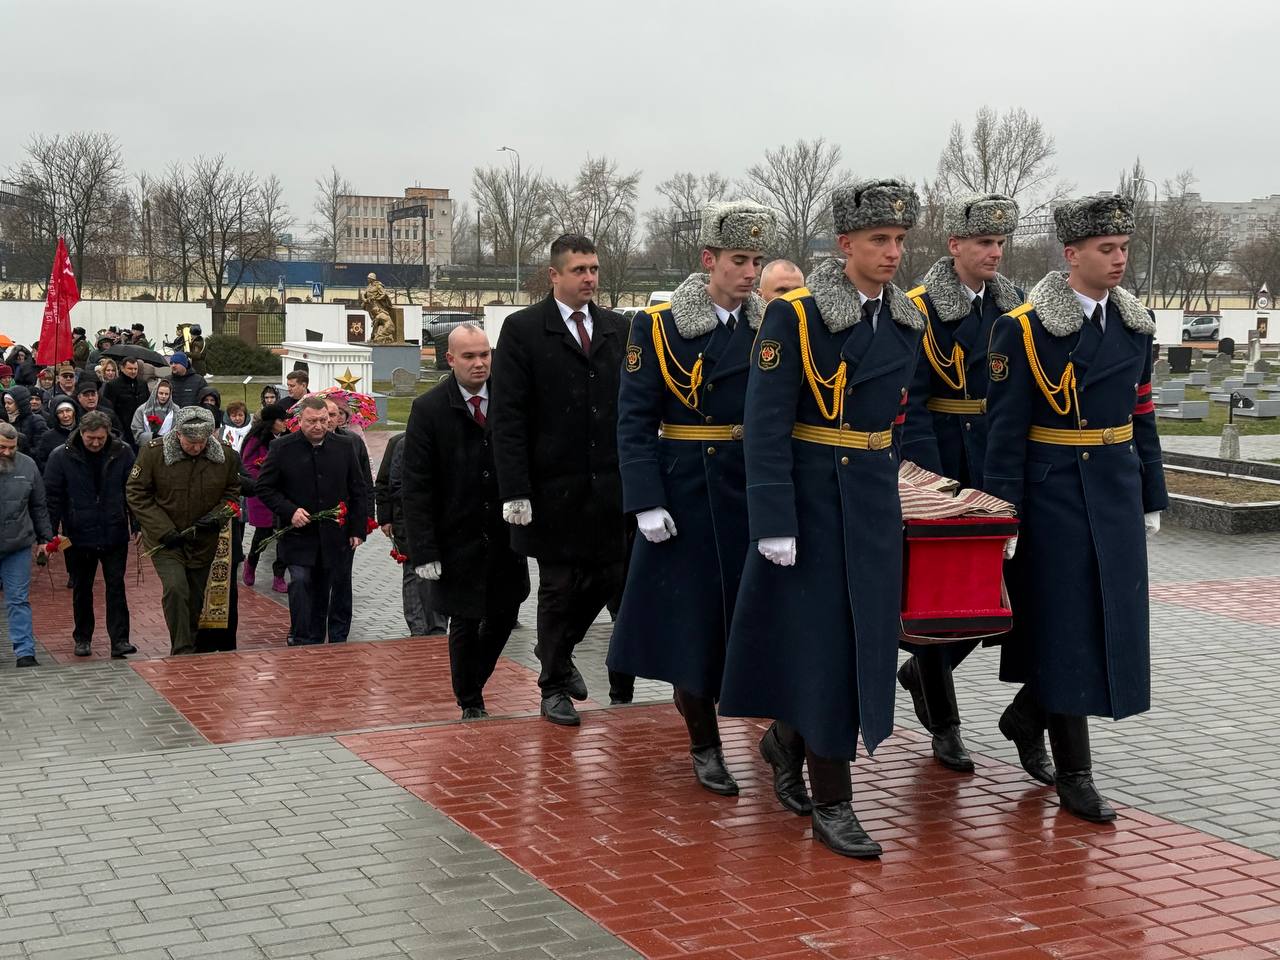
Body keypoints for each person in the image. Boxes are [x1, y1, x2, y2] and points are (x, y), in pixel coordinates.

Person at [720, 179, 925, 859]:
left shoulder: (906, 321)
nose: (892, 252)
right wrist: (772, 518)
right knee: (825, 652)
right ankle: (833, 803)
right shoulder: (797, 318)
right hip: (809, 504)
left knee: (864, 645)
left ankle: (785, 739)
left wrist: (919, 492)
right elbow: (766, 421)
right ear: (845, 246)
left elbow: (902, 423)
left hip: (870, 501)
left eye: (899, 240)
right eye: (878, 240)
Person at [982, 193, 1167, 823]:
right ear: (1072, 254)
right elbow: (1003, 432)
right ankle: (1076, 774)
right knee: (1066, 629)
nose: (1117, 261)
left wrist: (1151, 493)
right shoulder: (1024, 328)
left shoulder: (1135, 327)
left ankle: (1026, 714)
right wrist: (1003, 512)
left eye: (1122, 249)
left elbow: (1143, 416)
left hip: (1113, 489)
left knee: (1110, 622)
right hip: (1053, 493)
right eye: (1104, 250)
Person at [609, 201, 777, 795]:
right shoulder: (657, 327)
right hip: (687, 490)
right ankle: (704, 743)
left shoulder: (771, 327)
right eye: (738, 260)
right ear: (708, 260)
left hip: (753, 485)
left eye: (756, 260)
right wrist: (645, 500)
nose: (749, 273)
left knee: (763, 617)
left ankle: (777, 735)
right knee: (692, 625)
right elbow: (632, 420)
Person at [892, 193, 1028, 774]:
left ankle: (924, 671)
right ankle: (945, 725)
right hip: (943, 460)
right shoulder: (919, 308)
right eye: (982, 243)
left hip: (999, 455)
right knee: (942, 594)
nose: (993, 253)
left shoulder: (1016, 307)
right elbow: (913, 401)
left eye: (999, 243)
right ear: (955, 247)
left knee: (991, 593)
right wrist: (931, 481)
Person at [490, 234, 632, 725]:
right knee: (559, 587)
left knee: (612, 578)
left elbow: (632, 408)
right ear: (554, 276)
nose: (589, 277)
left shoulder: (618, 328)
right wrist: (515, 489)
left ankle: (560, 650)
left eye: (594, 268)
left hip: (610, 487)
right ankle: (552, 687)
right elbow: (506, 416)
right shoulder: (524, 329)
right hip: (551, 489)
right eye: (579, 270)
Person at [402, 324, 530, 717]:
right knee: (465, 618)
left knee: (506, 612)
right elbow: (417, 486)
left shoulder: (510, 398)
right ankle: (470, 701)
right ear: (450, 359)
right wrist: (423, 550)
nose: (480, 363)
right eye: (470, 356)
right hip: (456, 535)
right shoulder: (428, 409)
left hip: (505, 532)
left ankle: (473, 681)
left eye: (485, 354)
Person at [126, 406, 241, 656]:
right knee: (176, 589)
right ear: (178, 434)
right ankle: (182, 650)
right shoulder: (154, 453)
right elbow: (136, 493)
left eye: (202, 441)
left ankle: (188, 640)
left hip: (202, 540)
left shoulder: (225, 456)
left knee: (195, 596)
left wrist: (217, 517)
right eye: (191, 442)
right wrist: (163, 528)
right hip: (165, 541)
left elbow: (232, 494)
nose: (197, 447)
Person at [255, 396, 368, 645]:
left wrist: (357, 529)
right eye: (311, 421)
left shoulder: (345, 446)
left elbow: (358, 489)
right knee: (301, 581)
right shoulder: (282, 448)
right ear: (299, 421)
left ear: (331, 420)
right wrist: (289, 511)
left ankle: (317, 637)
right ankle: (302, 635)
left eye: (323, 420)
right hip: (297, 534)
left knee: (323, 588)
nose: (318, 426)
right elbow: (265, 487)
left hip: (333, 535)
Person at [42, 410, 139, 659]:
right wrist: (48, 535)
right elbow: (52, 498)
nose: (95, 443)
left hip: (114, 531)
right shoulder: (61, 456)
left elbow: (134, 493)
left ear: (108, 434)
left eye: (100, 438)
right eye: (90, 438)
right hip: (78, 533)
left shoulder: (123, 452)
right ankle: (83, 637)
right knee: (82, 588)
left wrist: (137, 525)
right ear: (81, 433)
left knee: (116, 587)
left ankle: (120, 640)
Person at [375, 431, 449, 636]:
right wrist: (385, 517)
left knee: (440, 572)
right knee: (414, 572)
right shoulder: (402, 443)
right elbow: (389, 483)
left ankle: (438, 624)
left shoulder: (448, 439)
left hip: (444, 520)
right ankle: (419, 626)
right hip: (410, 519)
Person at [0, 421, 54, 667]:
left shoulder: (27, 465)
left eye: (11, 448)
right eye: (2, 447)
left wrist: (45, 539)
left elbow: (39, 505)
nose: (8, 452)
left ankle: (25, 652)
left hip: (18, 544)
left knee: (18, 599)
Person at [241, 403, 290, 592]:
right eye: (281, 420)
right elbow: (247, 466)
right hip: (262, 494)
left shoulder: (288, 437)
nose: (285, 423)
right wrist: (263, 477)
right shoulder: (256, 439)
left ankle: (279, 576)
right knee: (263, 534)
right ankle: (251, 563)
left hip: (284, 494)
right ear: (271, 422)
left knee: (284, 536)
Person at [104, 358, 149, 447]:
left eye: (135, 369)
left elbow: (148, 404)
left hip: (140, 427)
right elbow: (108, 408)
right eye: (130, 369)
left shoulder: (142, 384)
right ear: (122, 368)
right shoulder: (112, 386)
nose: (133, 371)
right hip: (122, 428)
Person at [36, 398, 79, 471]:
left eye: (68, 410)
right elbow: (41, 461)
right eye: (60, 412)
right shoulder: (48, 437)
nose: (65, 415)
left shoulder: (82, 432)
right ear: (55, 415)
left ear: (74, 412)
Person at [3, 385, 48, 454]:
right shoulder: (5, 420)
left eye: (9, 403)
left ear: (20, 403)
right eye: (5, 403)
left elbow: (40, 449)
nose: (6, 406)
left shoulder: (36, 421)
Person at [132, 380, 177, 447]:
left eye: (166, 394)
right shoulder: (142, 410)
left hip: (168, 447)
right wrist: (152, 436)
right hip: (147, 447)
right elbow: (136, 430)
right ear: (155, 393)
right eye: (161, 393)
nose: (163, 396)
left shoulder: (176, 410)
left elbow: (178, 430)